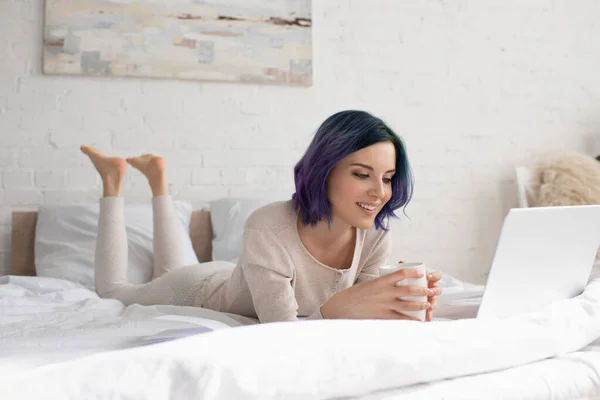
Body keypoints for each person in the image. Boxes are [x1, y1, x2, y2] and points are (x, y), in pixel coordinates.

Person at [81, 110, 442, 323]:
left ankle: (159, 180)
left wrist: (401, 305)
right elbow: (281, 334)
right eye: (362, 175)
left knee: (167, 266)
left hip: (237, 274)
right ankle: (113, 182)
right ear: (323, 170)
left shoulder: (375, 235)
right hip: (200, 290)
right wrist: (337, 308)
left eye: (388, 178)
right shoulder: (268, 226)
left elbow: (359, 315)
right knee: (115, 291)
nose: (379, 193)